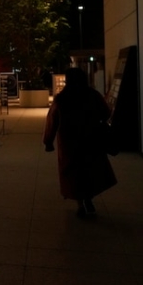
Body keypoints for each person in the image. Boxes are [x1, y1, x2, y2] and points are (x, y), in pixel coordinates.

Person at [43, 67, 117, 218]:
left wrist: (48, 141)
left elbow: (52, 121)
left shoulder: (62, 99)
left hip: (69, 142)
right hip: (91, 139)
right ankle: (88, 199)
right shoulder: (93, 95)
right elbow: (106, 113)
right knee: (90, 170)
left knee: (73, 173)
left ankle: (81, 201)